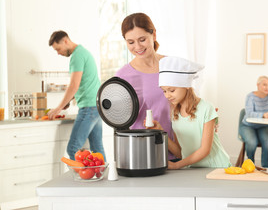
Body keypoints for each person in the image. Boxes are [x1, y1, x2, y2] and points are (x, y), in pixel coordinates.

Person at [149, 56, 231, 169]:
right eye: (164, 91)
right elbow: (180, 152)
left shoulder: (207, 108)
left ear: (186, 86)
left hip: (216, 166)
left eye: (172, 90)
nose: (167, 95)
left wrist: (177, 165)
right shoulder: (175, 113)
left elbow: (205, 150)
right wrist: (160, 132)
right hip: (192, 170)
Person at [115, 13, 177, 160]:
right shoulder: (122, 76)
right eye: (131, 42)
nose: (137, 47)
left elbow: (187, 103)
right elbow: (118, 117)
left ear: (153, 35)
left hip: (176, 150)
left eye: (142, 40)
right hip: (141, 153)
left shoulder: (173, 66)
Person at [48, 31, 106, 161]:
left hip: (89, 108)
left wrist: (58, 108)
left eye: (58, 49)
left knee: (73, 148)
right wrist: (70, 100)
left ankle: (80, 180)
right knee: (97, 148)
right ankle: (104, 177)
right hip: (96, 105)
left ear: (66, 41)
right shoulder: (84, 52)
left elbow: (74, 85)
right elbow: (86, 82)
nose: (58, 53)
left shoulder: (77, 56)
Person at [240, 76, 268, 167]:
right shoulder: (250, 96)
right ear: (258, 85)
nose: (267, 87)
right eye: (264, 85)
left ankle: (266, 168)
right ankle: (250, 165)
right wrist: (263, 114)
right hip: (248, 125)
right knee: (252, 142)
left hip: (264, 126)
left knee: (266, 142)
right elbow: (249, 113)